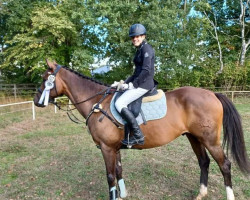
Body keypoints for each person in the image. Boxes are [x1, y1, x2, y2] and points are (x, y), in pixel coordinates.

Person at [112, 23, 156, 146]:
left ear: (143, 36)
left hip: (144, 84)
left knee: (119, 103)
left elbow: (146, 71)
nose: (135, 39)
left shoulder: (147, 49)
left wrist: (132, 85)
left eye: (138, 36)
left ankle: (138, 136)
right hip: (140, 83)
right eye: (133, 37)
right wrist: (123, 83)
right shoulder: (139, 50)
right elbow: (136, 72)